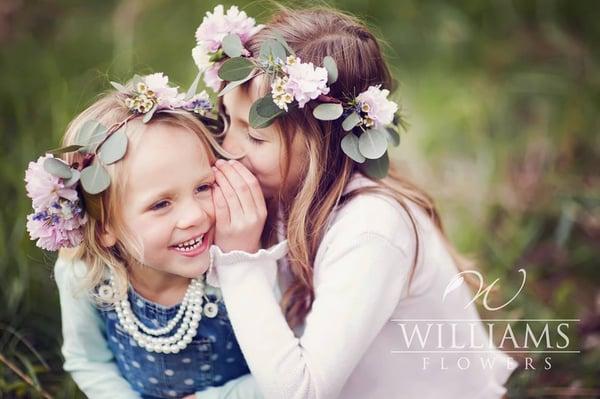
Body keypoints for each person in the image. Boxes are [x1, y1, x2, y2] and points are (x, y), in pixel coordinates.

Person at [197, 5, 518, 399]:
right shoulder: (281, 192)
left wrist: (238, 262)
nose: (228, 151)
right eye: (227, 122)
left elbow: (303, 392)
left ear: (323, 145)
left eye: (257, 137)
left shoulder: (370, 228)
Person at [24, 73, 276, 398]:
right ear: (104, 229)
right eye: (160, 204)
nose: (195, 216)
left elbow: (282, 366)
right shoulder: (85, 276)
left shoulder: (241, 264)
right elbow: (89, 362)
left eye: (202, 187)